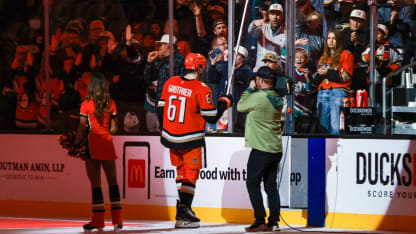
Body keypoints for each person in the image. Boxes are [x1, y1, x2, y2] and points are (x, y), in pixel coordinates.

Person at [157, 53, 232, 228]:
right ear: (199, 68)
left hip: (170, 136)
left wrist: (164, 130)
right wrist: (225, 102)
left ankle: (182, 212)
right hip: (190, 138)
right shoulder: (201, 88)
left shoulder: (171, 82)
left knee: (181, 172)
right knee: (191, 175)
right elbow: (212, 117)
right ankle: (184, 210)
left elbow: (160, 108)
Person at [73, 72, 123, 233]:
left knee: (96, 184)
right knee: (113, 182)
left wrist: (75, 143)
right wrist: (106, 132)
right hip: (107, 143)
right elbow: (115, 128)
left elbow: (81, 127)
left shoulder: (86, 104)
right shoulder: (112, 103)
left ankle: (98, 222)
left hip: (92, 143)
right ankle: (118, 222)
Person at [237, 66, 284, 232]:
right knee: (271, 185)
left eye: (256, 78)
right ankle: (274, 221)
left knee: (252, 183)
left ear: (261, 81)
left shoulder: (258, 97)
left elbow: (240, 106)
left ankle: (259, 220)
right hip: (275, 148)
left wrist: (249, 89)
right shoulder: (278, 97)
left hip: (261, 148)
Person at [315, 29, 354, 135]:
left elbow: (346, 76)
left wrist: (327, 73)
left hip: (338, 93)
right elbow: (317, 79)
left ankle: (335, 151)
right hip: (322, 93)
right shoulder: (322, 58)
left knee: (335, 127)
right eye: (329, 38)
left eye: (334, 39)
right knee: (322, 128)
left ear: (339, 41)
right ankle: (324, 151)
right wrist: (319, 75)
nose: (331, 41)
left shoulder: (346, 54)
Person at [248, 3, 286, 69]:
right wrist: (254, 23)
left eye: (278, 14)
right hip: (260, 67)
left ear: (282, 16)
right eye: (272, 14)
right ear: (268, 15)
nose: (275, 17)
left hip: (276, 69)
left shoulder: (287, 32)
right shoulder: (262, 27)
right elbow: (251, 31)